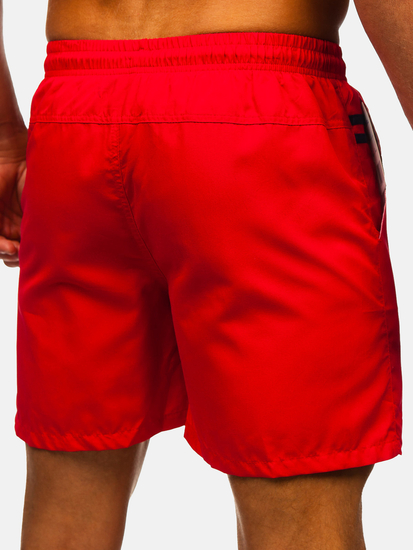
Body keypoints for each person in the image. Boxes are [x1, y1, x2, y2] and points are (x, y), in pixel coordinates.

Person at [0, 0, 408, 548]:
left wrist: (3, 141)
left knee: (67, 498)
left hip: (76, 115)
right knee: (296, 483)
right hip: (258, 118)